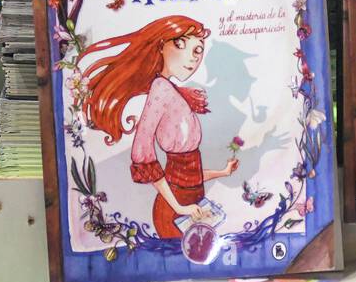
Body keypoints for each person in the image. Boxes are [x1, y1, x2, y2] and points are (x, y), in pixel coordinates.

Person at [80, 14, 239, 239]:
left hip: (192, 207)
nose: (192, 58)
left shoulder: (172, 92)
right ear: (161, 46)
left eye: (198, 50)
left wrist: (223, 172)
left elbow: (186, 176)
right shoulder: (161, 90)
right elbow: (141, 153)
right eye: (180, 44)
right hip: (176, 214)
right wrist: (179, 207)